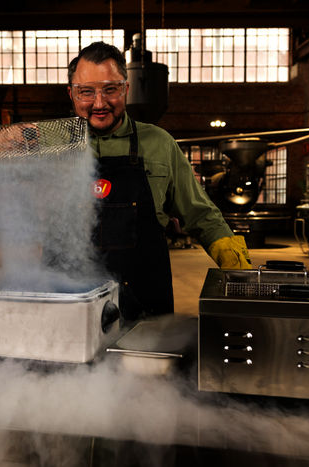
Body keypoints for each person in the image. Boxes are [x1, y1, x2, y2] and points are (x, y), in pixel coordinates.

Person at [67, 41, 251, 319]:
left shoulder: (159, 143)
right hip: (70, 300)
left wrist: (236, 264)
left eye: (110, 89)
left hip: (143, 298)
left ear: (126, 89)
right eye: (86, 92)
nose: (99, 103)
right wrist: (3, 142)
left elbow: (201, 214)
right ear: (71, 94)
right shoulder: (50, 143)